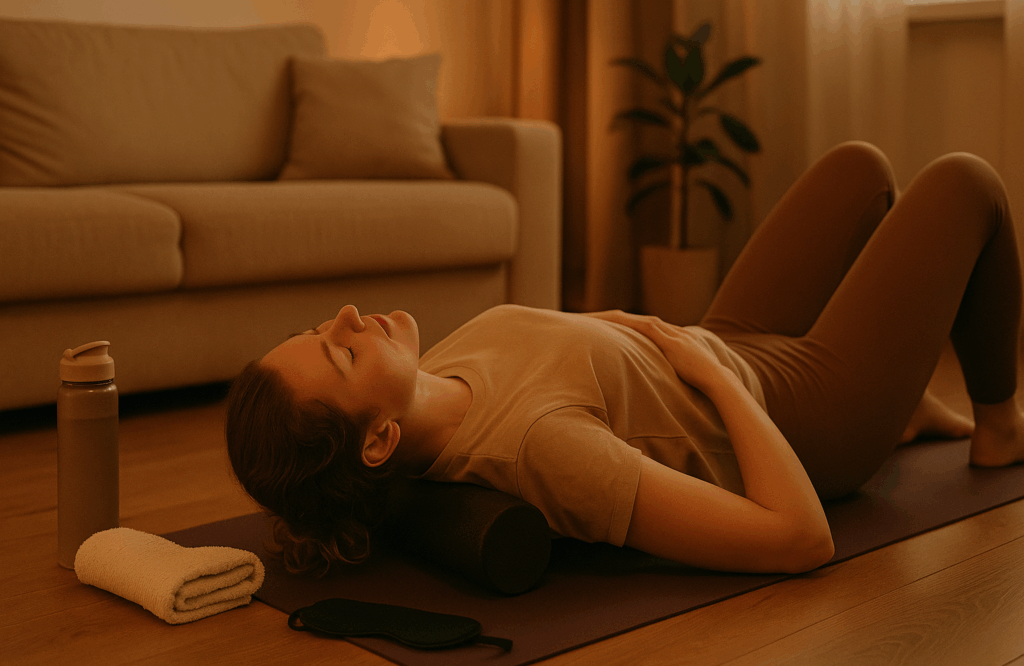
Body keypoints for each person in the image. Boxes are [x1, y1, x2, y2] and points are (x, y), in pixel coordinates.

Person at [225, 141, 1022, 578]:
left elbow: (557, 348)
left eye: (320, 326)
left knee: (859, 167)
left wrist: (619, 330)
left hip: (720, 339)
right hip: (803, 411)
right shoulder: (540, 447)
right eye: (339, 352)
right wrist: (715, 380)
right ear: (378, 441)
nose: (347, 317)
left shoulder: (437, 366)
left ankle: (909, 408)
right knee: (967, 182)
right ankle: (998, 426)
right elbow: (797, 538)